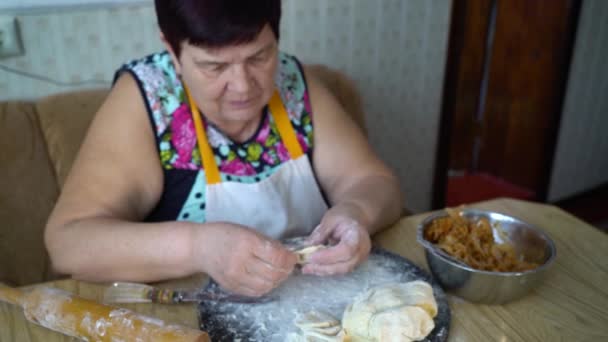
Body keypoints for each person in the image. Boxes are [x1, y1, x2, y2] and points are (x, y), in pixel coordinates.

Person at [45, 0, 402, 297]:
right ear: (171, 49)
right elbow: (68, 242)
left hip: (313, 310)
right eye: (214, 66)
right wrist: (198, 247)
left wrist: (357, 212)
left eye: (259, 57)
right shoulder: (149, 100)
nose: (242, 86)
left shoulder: (294, 83)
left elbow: (374, 180)